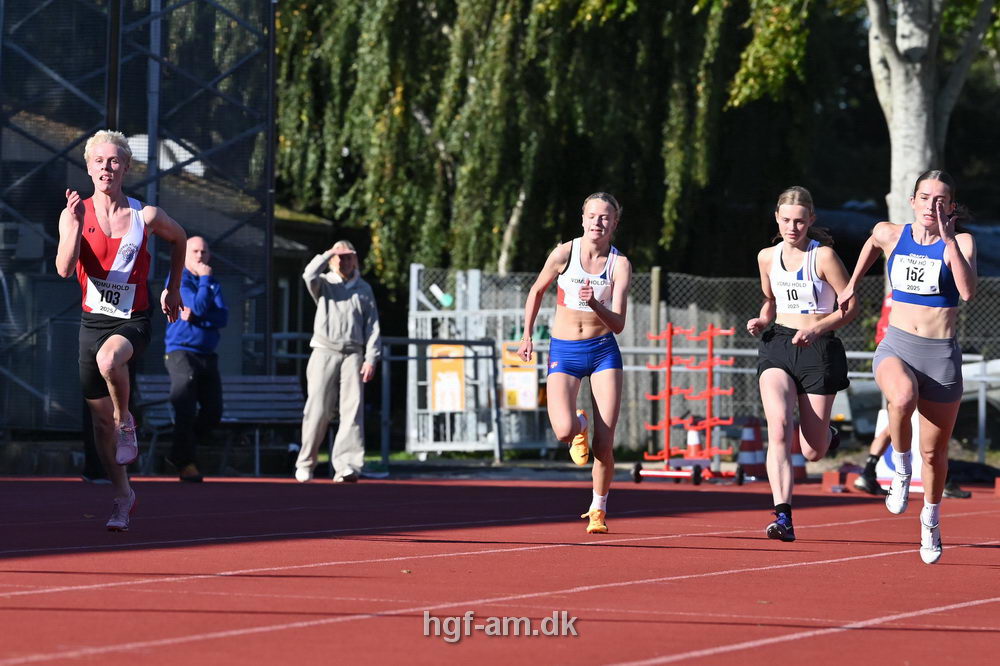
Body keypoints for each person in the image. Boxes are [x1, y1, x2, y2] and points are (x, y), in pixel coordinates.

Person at [839, 170, 976, 564]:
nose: (932, 205)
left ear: (950, 206)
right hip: (897, 344)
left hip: (941, 356)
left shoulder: (962, 242)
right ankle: (900, 469)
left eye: (941, 199)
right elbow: (871, 243)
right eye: (925, 197)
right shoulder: (890, 233)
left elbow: (967, 292)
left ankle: (930, 520)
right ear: (912, 201)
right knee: (901, 396)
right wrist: (851, 285)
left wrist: (949, 242)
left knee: (934, 455)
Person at [55, 129, 186, 531]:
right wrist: (75, 227)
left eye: (114, 161)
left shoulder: (145, 216)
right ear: (89, 167)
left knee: (110, 359)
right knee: (99, 425)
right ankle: (123, 496)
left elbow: (179, 238)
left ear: (126, 167)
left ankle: (126, 419)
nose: (106, 168)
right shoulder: (73, 213)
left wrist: (173, 286)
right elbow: (64, 269)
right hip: (92, 321)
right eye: (99, 161)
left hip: (134, 319)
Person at [746, 186, 856, 542]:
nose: (793, 227)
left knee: (812, 450)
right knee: (777, 428)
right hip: (778, 345)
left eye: (800, 221)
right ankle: (783, 515)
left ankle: (827, 435)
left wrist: (819, 327)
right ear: (777, 219)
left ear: (811, 220)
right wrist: (763, 321)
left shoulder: (822, 257)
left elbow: (850, 307)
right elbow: (770, 299)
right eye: (787, 220)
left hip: (818, 348)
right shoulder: (766, 256)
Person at [518, 192, 632, 534]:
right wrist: (527, 336)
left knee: (604, 444)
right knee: (564, 430)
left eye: (605, 217)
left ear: (614, 223)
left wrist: (596, 303)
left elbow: (619, 324)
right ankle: (579, 424)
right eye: (592, 216)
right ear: (583, 219)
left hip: (602, 352)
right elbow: (536, 291)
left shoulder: (619, 264)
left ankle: (598, 508)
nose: (598, 222)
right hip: (564, 350)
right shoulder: (564, 253)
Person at [853, 290, 972, 499]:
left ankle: (869, 470)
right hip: (900, 357)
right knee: (904, 414)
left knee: (905, 422)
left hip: (919, 357)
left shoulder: (906, 293)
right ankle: (882, 470)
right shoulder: (902, 294)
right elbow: (890, 326)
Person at [294, 240, 380, 483]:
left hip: (353, 353)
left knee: (352, 411)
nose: (344, 261)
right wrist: (328, 252)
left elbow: (372, 326)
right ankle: (306, 463)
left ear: (356, 259)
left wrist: (371, 357)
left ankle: (347, 465)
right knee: (318, 409)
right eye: (340, 257)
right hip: (325, 351)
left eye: (349, 256)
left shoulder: (363, 288)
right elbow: (308, 274)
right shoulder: (323, 284)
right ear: (332, 260)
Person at [163, 236, 228, 482]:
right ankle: (185, 462)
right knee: (186, 407)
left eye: (204, 251)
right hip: (181, 352)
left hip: (207, 354)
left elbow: (222, 318)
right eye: (195, 251)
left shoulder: (212, 282)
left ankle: (179, 451)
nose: (200, 256)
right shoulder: (180, 279)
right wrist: (205, 280)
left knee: (213, 411)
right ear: (185, 254)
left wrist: (199, 317)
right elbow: (200, 306)